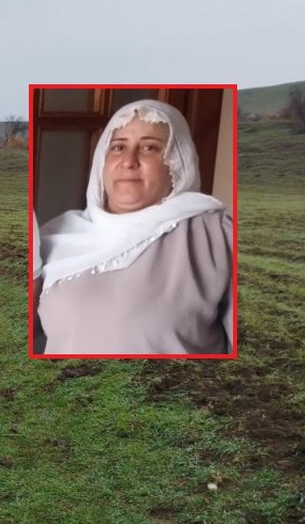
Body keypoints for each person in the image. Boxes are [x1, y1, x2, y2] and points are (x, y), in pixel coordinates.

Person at [37, 100, 233, 355]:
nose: (129, 161)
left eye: (150, 147)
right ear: (102, 162)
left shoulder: (216, 234)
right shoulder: (55, 236)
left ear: (176, 162)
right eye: (118, 147)